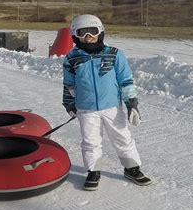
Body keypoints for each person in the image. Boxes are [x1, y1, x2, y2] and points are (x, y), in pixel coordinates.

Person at [62, 14, 152, 191]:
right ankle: (93, 171)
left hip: (112, 106)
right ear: (75, 35)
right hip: (86, 109)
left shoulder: (114, 54)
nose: (88, 36)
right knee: (90, 141)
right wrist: (69, 104)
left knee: (122, 137)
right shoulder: (72, 58)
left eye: (92, 31)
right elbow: (69, 84)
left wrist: (131, 103)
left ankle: (132, 168)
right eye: (83, 33)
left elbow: (125, 80)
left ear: (100, 32)